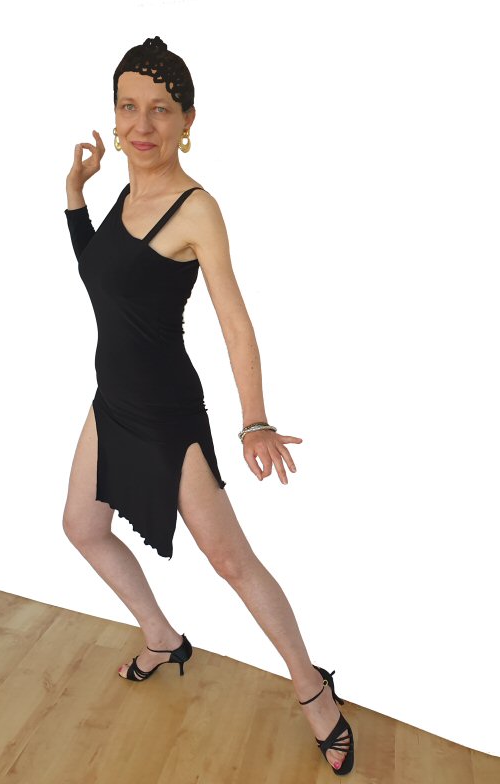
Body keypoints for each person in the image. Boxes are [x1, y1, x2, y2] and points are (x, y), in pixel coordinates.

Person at [62, 36, 354, 776]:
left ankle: (312, 687)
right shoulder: (125, 192)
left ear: (187, 120)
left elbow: (236, 324)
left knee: (230, 559)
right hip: (110, 399)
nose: (142, 125)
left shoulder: (197, 210)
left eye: (161, 109)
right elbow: (100, 275)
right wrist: (75, 197)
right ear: (114, 115)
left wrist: (254, 420)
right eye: (129, 107)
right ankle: (162, 637)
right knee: (82, 527)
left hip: (165, 413)